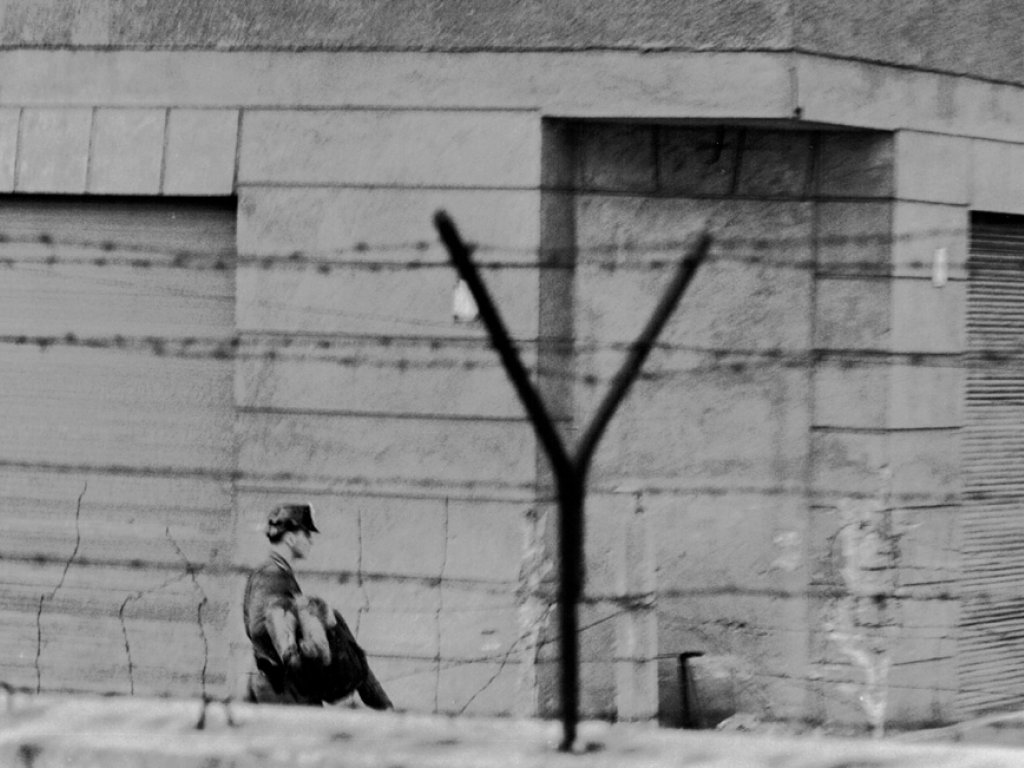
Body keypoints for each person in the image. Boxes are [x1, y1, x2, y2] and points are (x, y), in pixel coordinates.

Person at [242, 503, 393, 709]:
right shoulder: (273, 574)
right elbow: (260, 628)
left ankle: (379, 702)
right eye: (306, 534)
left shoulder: (276, 571)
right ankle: (381, 704)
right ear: (291, 538)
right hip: (281, 687)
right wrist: (299, 654)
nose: (310, 541)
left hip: (280, 683)